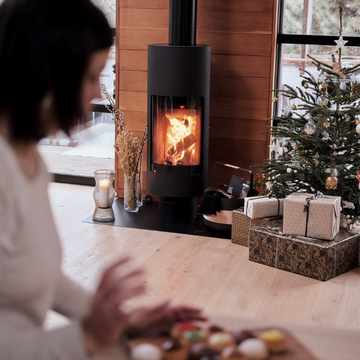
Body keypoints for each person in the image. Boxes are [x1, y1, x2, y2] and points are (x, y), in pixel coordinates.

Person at [0, 0, 205, 358]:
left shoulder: (27, 158)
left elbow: (35, 277)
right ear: (48, 74)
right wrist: (87, 338)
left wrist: (123, 322)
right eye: (92, 76)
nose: (98, 93)